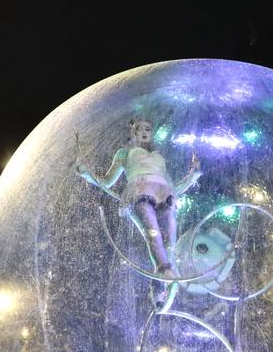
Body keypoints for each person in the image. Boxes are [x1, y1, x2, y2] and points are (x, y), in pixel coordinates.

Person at [76, 117, 201, 276]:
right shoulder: (125, 153)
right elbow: (107, 181)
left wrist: (193, 175)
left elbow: (173, 188)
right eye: (139, 129)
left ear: (151, 133)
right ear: (133, 133)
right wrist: (87, 173)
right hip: (139, 191)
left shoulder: (159, 157)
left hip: (163, 193)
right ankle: (163, 268)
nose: (143, 132)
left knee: (170, 233)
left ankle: (166, 277)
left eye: (147, 129)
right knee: (151, 229)